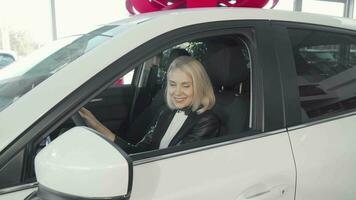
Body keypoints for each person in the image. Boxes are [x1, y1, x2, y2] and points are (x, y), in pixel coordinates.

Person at [79, 56, 220, 153]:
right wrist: (97, 126)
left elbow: (176, 163)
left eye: (186, 85)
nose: (177, 92)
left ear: (199, 87)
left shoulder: (207, 121)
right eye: (172, 84)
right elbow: (140, 151)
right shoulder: (165, 113)